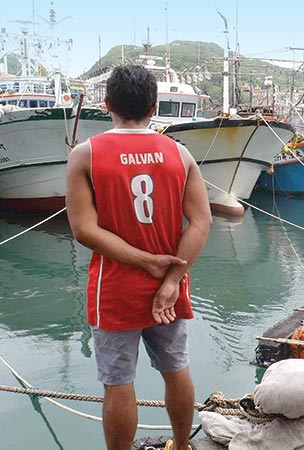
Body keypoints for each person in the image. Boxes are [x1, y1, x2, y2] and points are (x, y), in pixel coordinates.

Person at [66, 65, 212, 450]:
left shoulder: (85, 156)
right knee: (176, 368)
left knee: (118, 382)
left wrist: (143, 261)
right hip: (171, 287)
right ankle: (182, 446)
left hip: (114, 289)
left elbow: (84, 229)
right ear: (155, 106)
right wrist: (169, 279)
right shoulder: (180, 155)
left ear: (107, 104)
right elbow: (200, 222)